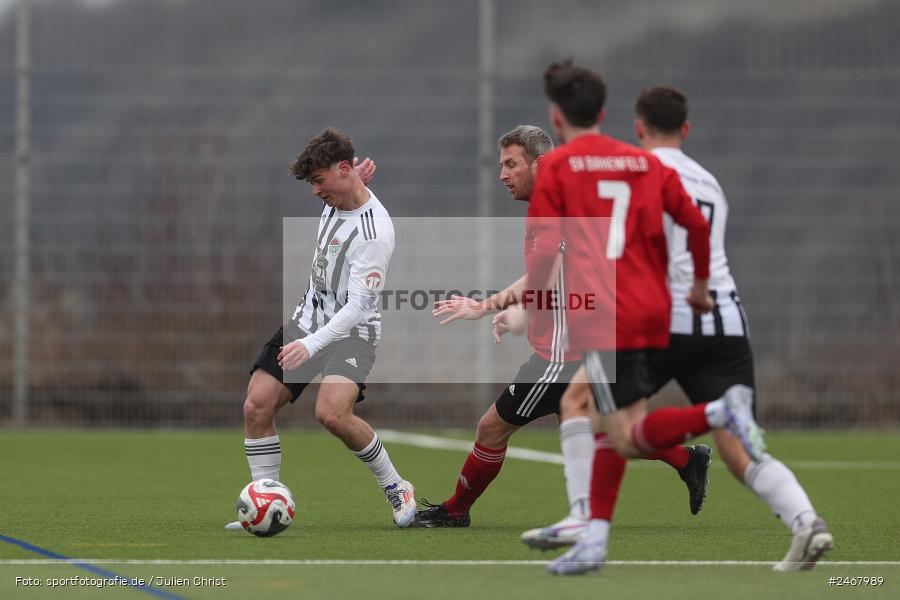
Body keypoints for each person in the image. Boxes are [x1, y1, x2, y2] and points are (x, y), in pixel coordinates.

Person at [519, 60, 767, 575]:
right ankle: (589, 528)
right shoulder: (637, 161)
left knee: (618, 428)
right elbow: (696, 226)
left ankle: (712, 418)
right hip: (656, 307)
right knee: (588, 408)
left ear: (555, 117)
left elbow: (545, 249)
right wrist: (699, 287)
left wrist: (533, 302)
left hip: (610, 315)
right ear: (605, 113)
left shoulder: (560, 168)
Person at [415, 126, 710, 537]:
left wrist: (488, 307)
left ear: (538, 163)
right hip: (591, 341)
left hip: (563, 353)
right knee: (605, 430)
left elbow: (550, 277)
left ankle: (456, 510)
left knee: (492, 427)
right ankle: (686, 460)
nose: (502, 174)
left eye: (510, 164)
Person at [630, 85, 830, 570]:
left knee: (591, 415)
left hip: (669, 320)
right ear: (687, 128)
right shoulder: (710, 182)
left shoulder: (641, 173)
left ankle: (581, 530)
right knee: (742, 450)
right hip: (726, 321)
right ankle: (806, 522)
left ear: (638, 127)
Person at [225, 128, 417, 530]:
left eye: (318, 181)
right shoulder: (338, 193)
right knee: (256, 405)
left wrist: (311, 346)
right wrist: (349, 180)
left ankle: (397, 485)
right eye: (312, 183)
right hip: (307, 320)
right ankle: (266, 502)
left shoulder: (375, 233)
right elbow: (345, 188)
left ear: (343, 170)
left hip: (352, 331)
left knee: (331, 413)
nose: (314, 192)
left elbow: (358, 307)